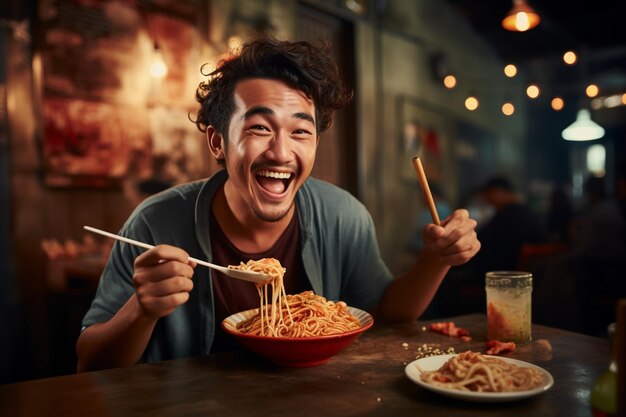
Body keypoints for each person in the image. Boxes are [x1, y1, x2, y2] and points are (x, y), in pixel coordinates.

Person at [76, 37, 480, 372]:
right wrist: (141, 311)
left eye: (300, 131)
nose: (281, 152)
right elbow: (89, 365)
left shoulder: (342, 214)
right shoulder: (155, 222)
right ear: (218, 141)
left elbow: (387, 317)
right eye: (259, 127)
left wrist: (436, 259)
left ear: (316, 143)